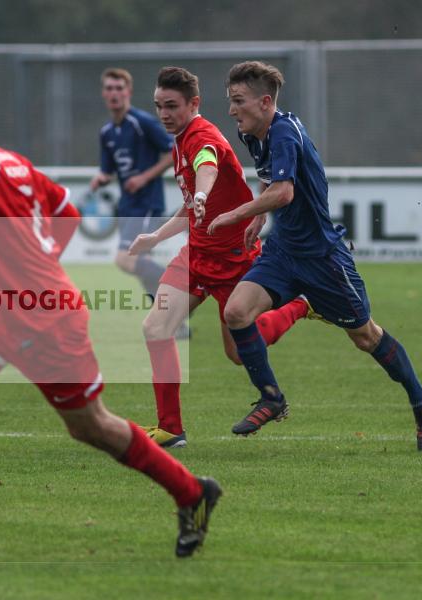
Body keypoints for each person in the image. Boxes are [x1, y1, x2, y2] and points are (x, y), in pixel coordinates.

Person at [0, 72, 221, 557]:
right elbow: (68, 213)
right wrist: (37, 267)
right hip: (12, 307)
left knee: (90, 426)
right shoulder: (6, 159)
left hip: (40, 315)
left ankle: (192, 492)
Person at [210, 61, 422, 451]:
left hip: (323, 259)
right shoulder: (253, 131)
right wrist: (260, 213)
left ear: (265, 101)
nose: (232, 110)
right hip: (283, 251)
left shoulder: (284, 132)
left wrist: (236, 214)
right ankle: (272, 397)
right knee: (235, 313)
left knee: (366, 337)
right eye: (230, 101)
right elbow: (269, 179)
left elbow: (284, 192)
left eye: (238, 101)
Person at [128, 66, 311, 449]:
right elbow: (190, 203)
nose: (164, 114)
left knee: (237, 353)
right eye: (159, 106)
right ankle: (171, 428)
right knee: (156, 329)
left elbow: (206, 166)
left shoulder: (202, 136)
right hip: (196, 254)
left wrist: (202, 194)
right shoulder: (178, 140)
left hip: (233, 257)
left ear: (194, 103)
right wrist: (156, 236)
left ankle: (300, 304)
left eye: (172, 106)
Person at [89, 68, 175, 299]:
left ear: (129, 92)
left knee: (126, 260)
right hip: (128, 206)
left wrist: (144, 177)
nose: (114, 93)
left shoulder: (142, 122)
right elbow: (108, 170)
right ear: (103, 93)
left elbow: (173, 152)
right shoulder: (106, 132)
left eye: (119, 88)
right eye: (109, 88)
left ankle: (181, 288)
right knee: (141, 265)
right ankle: (169, 317)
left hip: (147, 203)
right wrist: (102, 178)